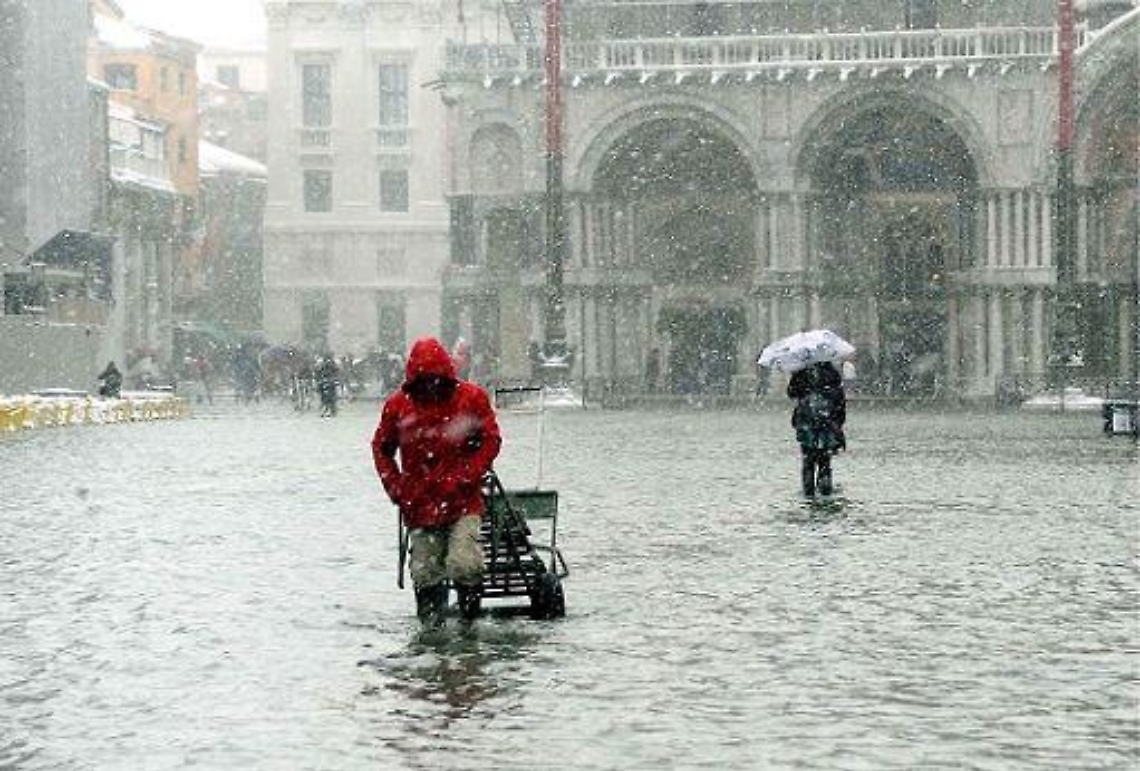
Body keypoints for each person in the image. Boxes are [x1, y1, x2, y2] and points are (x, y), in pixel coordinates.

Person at [371, 337, 502, 626]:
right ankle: (432, 625)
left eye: (435, 380)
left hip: (462, 499)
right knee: (425, 570)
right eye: (425, 380)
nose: (431, 386)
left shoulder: (470, 398)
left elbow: (490, 440)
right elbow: (382, 448)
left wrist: (468, 474)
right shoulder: (398, 406)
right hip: (419, 503)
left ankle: (469, 622)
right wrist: (396, 487)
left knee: (464, 562)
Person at [787, 361, 847, 497]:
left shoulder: (801, 372)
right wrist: (838, 422)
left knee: (808, 460)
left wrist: (796, 379)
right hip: (827, 423)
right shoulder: (831, 373)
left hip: (806, 422)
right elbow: (840, 399)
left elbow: (791, 393)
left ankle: (808, 492)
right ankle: (825, 487)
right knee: (824, 460)